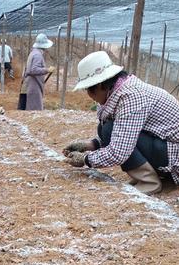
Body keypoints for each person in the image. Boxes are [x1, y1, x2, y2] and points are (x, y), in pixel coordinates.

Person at [63, 51, 179, 195]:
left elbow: (119, 152)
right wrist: (91, 145)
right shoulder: (117, 92)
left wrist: (86, 159)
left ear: (99, 85)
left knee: (108, 129)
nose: (89, 95)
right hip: (161, 146)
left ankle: (149, 182)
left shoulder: (131, 97)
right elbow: (123, 131)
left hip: (172, 154)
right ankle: (146, 176)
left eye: (88, 89)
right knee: (105, 128)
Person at [22, 33, 55, 110]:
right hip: (34, 84)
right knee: (35, 107)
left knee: (32, 105)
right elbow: (33, 69)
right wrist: (47, 70)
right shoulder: (37, 55)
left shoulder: (33, 53)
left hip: (33, 83)